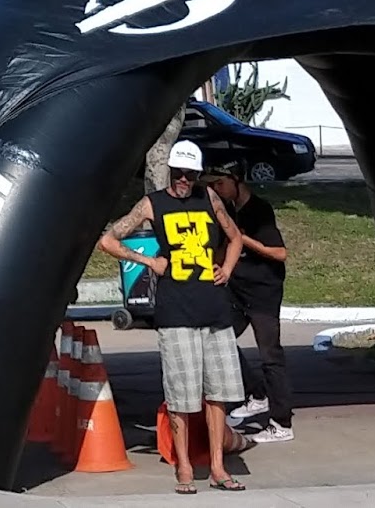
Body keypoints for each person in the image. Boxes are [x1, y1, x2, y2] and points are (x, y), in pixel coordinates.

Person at [100, 139, 250, 495]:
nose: (184, 179)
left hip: (213, 309)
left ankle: (217, 467)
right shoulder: (153, 203)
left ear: (198, 174)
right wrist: (148, 260)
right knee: (181, 395)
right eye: (179, 173)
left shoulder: (209, 198)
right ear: (170, 171)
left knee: (218, 394)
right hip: (176, 312)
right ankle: (184, 467)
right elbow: (109, 240)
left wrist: (227, 269)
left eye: (190, 174)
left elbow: (235, 237)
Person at [206, 159, 293, 443]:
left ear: (237, 180)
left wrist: (243, 240)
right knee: (218, 338)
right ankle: (257, 393)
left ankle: (281, 423)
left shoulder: (259, 210)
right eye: (213, 185)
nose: (217, 189)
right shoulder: (229, 209)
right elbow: (224, 246)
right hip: (238, 291)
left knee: (270, 356)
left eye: (220, 183)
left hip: (263, 291)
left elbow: (279, 253)